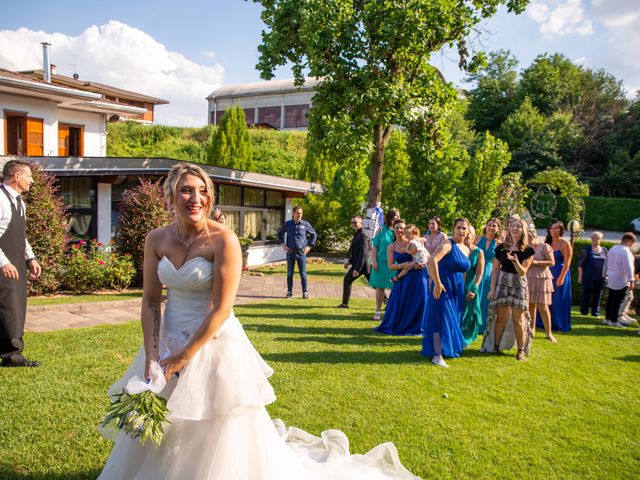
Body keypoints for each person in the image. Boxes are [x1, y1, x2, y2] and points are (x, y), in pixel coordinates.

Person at [98, 163, 416, 479]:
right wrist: (154, 357)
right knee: (164, 420)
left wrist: (182, 358)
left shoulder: (224, 240)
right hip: (165, 339)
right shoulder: (156, 239)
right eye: (186, 190)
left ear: (209, 198)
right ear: (171, 196)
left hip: (213, 342)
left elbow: (221, 309)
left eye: (203, 191)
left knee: (213, 425)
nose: (195, 198)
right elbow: (152, 301)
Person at [0, 160, 42, 368]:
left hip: (16, 262)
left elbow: (21, 235)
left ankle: (12, 354)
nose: (32, 181)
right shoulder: (0, 200)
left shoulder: (20, 202)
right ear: (16, 176)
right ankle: (12, 355)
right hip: (4, 264)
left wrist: (31, 258)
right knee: (7, 308)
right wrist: (3, 263)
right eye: (29, 176)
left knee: (16, 307)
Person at [481, 217, 535, 361]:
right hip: (502, 284)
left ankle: (520, 350)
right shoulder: (502, 248)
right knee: (501, 318)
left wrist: (516, 262)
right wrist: (492, 289)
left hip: (518, 285)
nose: (515, 228)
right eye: (513, 226)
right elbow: (495, 268)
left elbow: (523, 272)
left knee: (518, 320)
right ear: (509, 229)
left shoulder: (528, 250)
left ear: (522, 230)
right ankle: (495, 346)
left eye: (518, 226)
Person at [421, 218, 471, 367]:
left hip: (457, 289)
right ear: (453, 229)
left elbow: (463, 272)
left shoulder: (466, 248)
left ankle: (445, 349)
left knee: (451, 318)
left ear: (468, 231)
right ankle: (437, 355)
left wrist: (466, 289)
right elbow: (431, 260)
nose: (461, 231)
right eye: (458, 228)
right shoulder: (448, 244)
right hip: (443, 286)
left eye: (464, 228)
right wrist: (437, 283)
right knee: (439, 319)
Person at [374, 219, 427, 336]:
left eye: (402, 228)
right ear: (393, 229)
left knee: (420, 300)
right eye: (397, 228)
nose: (400, 230)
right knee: (400, 301)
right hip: (403, 277)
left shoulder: (412, 240)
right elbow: (391, 266)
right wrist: (405, 265)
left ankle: (418, 325)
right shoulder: (391, 247)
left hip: (418, 274)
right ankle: (400, 324)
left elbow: (424, 248)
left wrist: (420, 262)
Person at [277, 206, 317, 299]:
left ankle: (305, 292)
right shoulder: (288, 224)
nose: (300, 215)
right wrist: (283, 244)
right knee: (290, 273)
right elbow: (279, 234)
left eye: (301, 213)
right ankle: (289, 292)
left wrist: (309, 246)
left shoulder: (305, 224)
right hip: (290, 253)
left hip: (301, 253)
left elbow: (314, 235)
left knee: (303, 274)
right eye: (298, 213)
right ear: (293, 214)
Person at [526, 224, 557, 343]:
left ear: (534, 235)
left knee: (543, 307)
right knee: (530, 305)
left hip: (542, 278)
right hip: (529, 278)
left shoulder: (544, 246)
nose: (528, 238)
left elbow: (552, 262)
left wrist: (536, 261)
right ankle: (531, 329)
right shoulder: (525, 248)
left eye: (529, 236)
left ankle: (549, 333)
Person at [369, 209, 400, 320]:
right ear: (389, 216)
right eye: (394, 215)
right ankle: (377, 310)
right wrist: (375, 261)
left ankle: (391, 311)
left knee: (395, 288)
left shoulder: (400, 230)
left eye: (398, 216)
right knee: (380, 287)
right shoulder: (381, 229)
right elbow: (375, 246)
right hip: (381, 263)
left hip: (395, 263)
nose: (396, 217)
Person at [336, 215, 371, 308]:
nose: (353, 224)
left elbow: (364, 253)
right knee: (375, 285)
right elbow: (356, 251)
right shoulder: (357, 233)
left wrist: (357, 269)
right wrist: (349, 261)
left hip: (363, 265)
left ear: (361, 222)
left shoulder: (363, 234)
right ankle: (344, 304)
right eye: (352, 222)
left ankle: (344, 304)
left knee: (348, 279)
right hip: (360, 264)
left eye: (355, 222)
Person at [545, 221, 573, 332]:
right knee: (547, 299)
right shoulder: (548, 243)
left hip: (560, 272)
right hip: (548, 273)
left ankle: (559, 323)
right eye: (552, 228)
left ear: (561, 230)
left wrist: (561, 277)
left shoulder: (565, 244)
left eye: (556, 228)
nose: (553, 230)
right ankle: (546, 322)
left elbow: (567, 263)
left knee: (558, 299)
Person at [604, 232, 636, 327]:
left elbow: (607, 263)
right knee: (617, 300)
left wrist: (606, 274)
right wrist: (631, 280)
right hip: (621, 279)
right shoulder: (626, 252)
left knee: (611, 298)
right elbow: (629, 267)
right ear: (629, 241)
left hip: (611, 277)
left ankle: (607, 318)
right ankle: (613, 320)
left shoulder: (613, 249)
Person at [475, 218, 501, 332]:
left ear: (498, 229)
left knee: (486, 298)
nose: (491, 227)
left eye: (494, 226)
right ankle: (473, 324)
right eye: (489, 225)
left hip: (490, 272)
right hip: (476, 270)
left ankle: (483, 326)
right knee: (475, 297)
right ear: (485, 226)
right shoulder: (477, 239)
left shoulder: (499, 244)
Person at [460, 225, 485, 345]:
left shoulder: (478, 252)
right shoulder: (457, 249)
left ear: (474, 236)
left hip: (470, 286)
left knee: (468, 313)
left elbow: (479, 273)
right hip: (456, 285)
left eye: (469, 232)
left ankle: (465, 336)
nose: (466, 234)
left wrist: (474, 289)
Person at [578, 232, 608, 318]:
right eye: (593, 238)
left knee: (598, 296)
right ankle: (584, 311)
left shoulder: (604, 250)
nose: (595, 239)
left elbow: (607, 264)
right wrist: (580, 276)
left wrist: (606, 275)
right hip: (588, 277)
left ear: (601, 240)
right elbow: (581, 264)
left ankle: (595, 312)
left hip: (600, 277)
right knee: (586, 295)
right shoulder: (587, 249)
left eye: (597, 238)